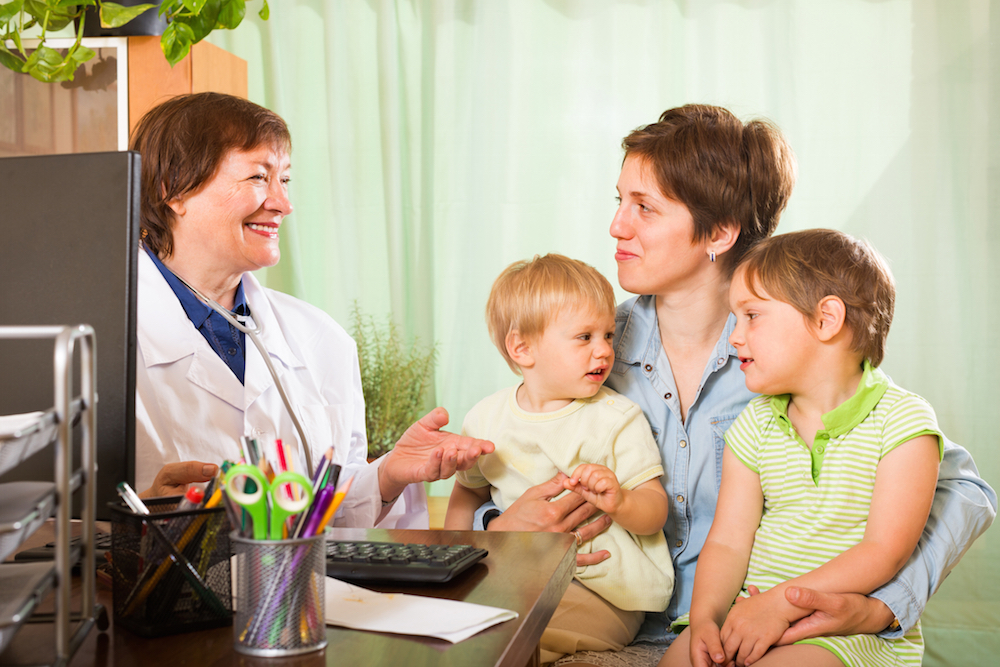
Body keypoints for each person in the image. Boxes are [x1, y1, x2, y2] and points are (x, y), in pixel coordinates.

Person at [484, 105, 996, 667]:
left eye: (645, 208)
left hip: (751, 626)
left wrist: (881, 608)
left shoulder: (791, 351)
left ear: (720, 234)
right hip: (608, 608)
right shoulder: (590, 347)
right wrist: (497, 526)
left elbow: (964, 493)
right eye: (619, 201)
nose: (617, 226)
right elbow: (510, 458)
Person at [130, 92, 493, 528]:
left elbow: (330, 515)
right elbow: (55, 530)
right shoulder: (96, 342)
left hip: (304, 593)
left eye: (284, 180)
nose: (283, 203)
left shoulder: (322, 339)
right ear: (174, 188)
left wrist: (387, 476)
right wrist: (138, 519)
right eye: (258, 177)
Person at [663, 229, 941, 667]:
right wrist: (704, 621)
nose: (734, 337)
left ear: (826, 319)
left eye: (751, 316)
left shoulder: (903, 422)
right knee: (679, 660)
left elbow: (884, 552)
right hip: (752, 609)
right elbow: (729, 542)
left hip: (838, 630)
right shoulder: (754, 424)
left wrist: (782, 605)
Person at [446, 254, 673, 664]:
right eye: (584, 337)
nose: (605, 350)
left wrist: (621, 501)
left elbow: (655, 511)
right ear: (522, 348)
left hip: (603, 590)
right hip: (515, 575)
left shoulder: (617, 418)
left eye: (608, 334)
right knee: (458, 623)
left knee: (522, 636)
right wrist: (455, 561)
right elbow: (467, 495)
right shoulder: (485, 419)